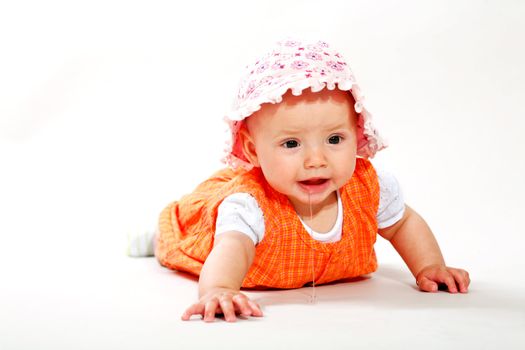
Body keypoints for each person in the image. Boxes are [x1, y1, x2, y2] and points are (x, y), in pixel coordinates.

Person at [153, 38, 470, 322]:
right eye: (291, 144)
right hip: (207, 242)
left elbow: (403, 224)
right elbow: (234, 246)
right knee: (175, 237)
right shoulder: (249, 205)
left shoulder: (369, 188)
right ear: (253, 150)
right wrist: (219, 288)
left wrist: (430, 267)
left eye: (334, 139)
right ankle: (152, 239)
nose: (316, 160)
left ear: (357, 133)